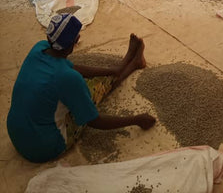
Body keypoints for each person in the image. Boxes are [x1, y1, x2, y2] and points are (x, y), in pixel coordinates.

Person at [7, 13, 155, 163]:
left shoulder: (39, 49)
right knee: (94, 90)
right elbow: (94, 121)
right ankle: (133, 64)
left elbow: (71, 67)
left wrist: (113, 70)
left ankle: (124, 66)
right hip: (45, 147)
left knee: (79, 87)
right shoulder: (68, 78)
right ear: (75, 42)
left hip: (16, 132)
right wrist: (136, 120)